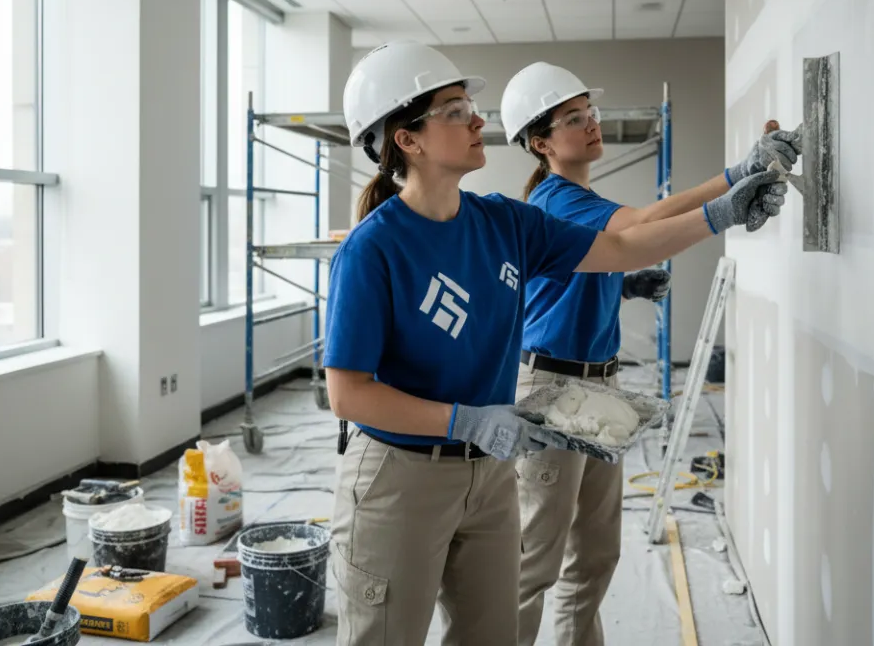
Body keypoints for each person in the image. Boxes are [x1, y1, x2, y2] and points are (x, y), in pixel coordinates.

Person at [323, 41, 787, 646]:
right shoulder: (372, 250)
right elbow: (348, 396)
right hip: (400, 476)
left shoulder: (503, 222)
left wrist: (724, 211)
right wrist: (462, 420)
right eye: (457, 109)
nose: (478, 121)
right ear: (406, 140)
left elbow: (622, 249)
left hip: (488, 474)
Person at [500, 61, 798, 646]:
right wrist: (736, 178)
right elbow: (636, 226)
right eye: (573, 118)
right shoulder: (558, 200)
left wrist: (622, 284)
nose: (591, 125)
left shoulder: (578, 197)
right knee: (534, 565)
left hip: (596, 389)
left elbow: (598, 260)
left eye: (591, 114)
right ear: (541, 143)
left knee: (594, 556)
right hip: (552, 390)